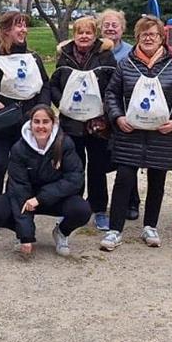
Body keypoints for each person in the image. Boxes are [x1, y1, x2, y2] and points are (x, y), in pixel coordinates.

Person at [100, 15, 172, 251]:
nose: (148, 38)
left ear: (162, 38)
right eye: (144, 34)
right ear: (138, 37)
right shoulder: (126, 65)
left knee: (157, 181)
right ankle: (114, 230)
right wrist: (117, 117)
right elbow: (111, 94)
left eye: (153, 34)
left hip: (162, 135)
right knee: (124, 180)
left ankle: (150, 225)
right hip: (129, 134)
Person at [0, 11, 51, 237]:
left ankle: (19, 211)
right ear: (6, 30)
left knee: (25, 170)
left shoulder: (32, 57)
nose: (24, 30)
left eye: (25, 26)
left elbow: (44, 85)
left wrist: (41, 110)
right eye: (18, 26)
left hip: (26, 124)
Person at [0, 105, 91, 257]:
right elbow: (19, 188)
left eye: (45, 122)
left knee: (82, 210)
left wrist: (40, 199)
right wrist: (25, 235)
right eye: (37, 121)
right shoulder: (19, 148)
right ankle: (20, 233)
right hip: (26, 198)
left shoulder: (65, 144)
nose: (41, 126)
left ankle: (61, 232)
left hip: (53, 198)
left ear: (53, 123)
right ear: (30, 123)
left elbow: (75, 178)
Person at [48, 16, 117, 231]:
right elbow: (55, 84)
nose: (84, 36)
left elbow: (114, 84)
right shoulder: (65, 55)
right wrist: (63, 104)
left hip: (97, 123)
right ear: (74, 34)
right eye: (80, 32)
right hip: (71, 122)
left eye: (88, 33)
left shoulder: (105, 55)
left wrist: (102, 108)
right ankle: (73, 207)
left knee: (97, 166)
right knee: (73, 166)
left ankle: (99, 209)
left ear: (95, 34)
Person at [98, 8, 140, 219]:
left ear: (122, 29)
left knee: (127, 161)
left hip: (125, 114)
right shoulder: (95, 51)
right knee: (100, 161)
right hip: (98, 114)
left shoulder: (131, 52)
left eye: (115, 25)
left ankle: (131, 202)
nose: (111, 28)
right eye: (106, 24)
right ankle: (99, 203)